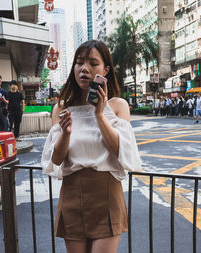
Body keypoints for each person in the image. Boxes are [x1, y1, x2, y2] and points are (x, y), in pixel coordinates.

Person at [41, 40, 141, 253]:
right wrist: (65, 133)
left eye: (92, 63)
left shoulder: (117, 106)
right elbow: (56, 160)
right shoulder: (61, 108)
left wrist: (99, 114)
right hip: (71, 195)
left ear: (105, 70)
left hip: (106, 194)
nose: (84, 68)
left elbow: (121, 152)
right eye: (79, 62)